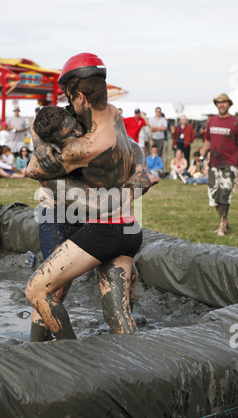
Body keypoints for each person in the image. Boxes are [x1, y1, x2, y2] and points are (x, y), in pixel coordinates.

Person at [25, 52, 157, 341]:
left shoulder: (83, 146)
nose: (72, 125)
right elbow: (40, 122)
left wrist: (45, 157)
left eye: (71, 99)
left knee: (43, 288)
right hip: (105, 220)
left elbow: (33, 170)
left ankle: (70, 357)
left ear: (81, 96)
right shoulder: (111, 114)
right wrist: (38, 142)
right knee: (107, 308)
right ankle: (134, 364)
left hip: (98, 221)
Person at [203, 93, 238, 236]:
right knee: (214, 196)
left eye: (224, 102)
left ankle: (222, 227)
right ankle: (225, 222)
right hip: (214, 164)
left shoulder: (235, 123)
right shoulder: (212, 121)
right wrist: (202, 156)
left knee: (224, 195)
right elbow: (207, 141)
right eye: (219, 102)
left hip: (229, 164)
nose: (221, 105)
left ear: (229, 104)